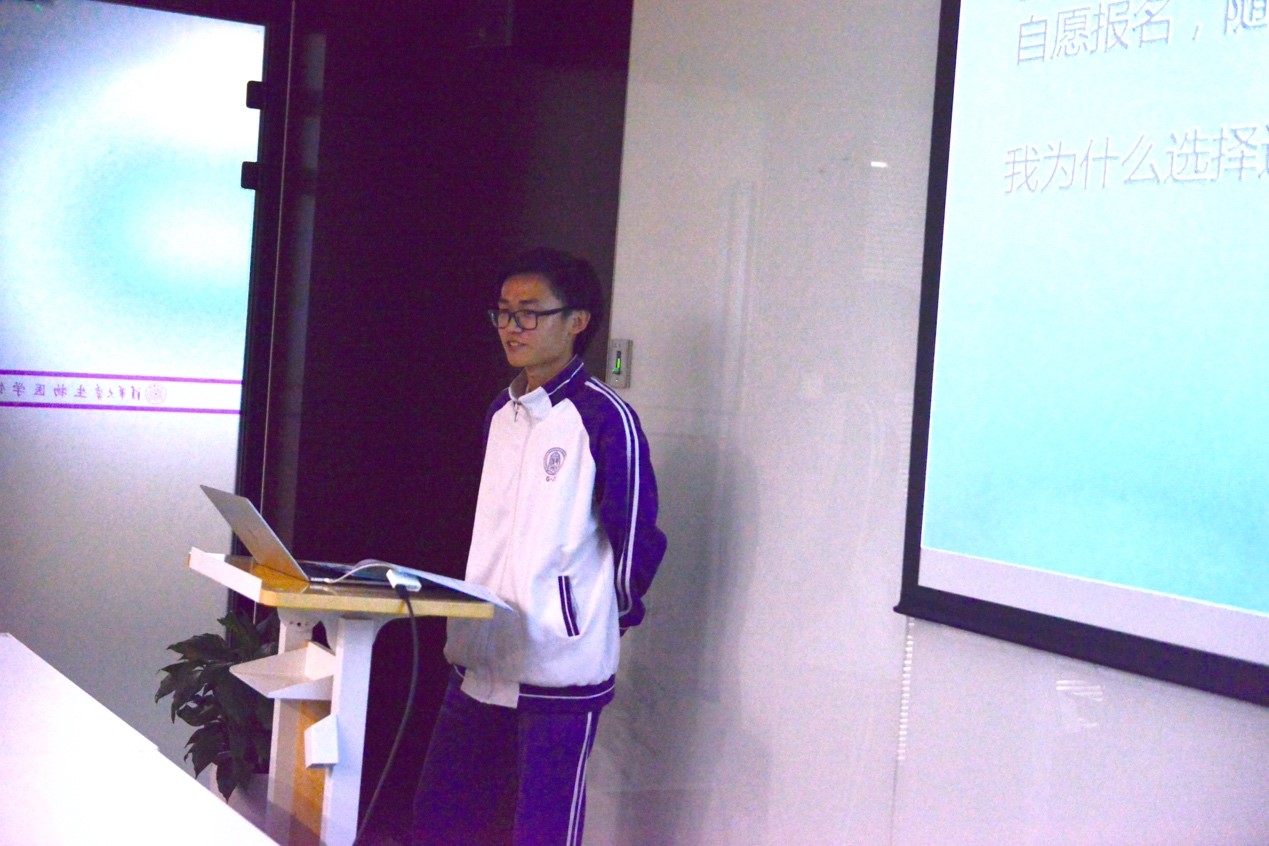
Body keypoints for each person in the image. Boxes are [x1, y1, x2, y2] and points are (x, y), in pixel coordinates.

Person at [412, 248, 667, 846]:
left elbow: (637, 539)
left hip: (558, 669)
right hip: (479, 655)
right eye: (503, 312)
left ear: (577, 321)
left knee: (542, 831)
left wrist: (591, 622)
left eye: (529, 312)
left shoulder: (605, 419)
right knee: (439, 821)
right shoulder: (501, 413)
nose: (512, 327)